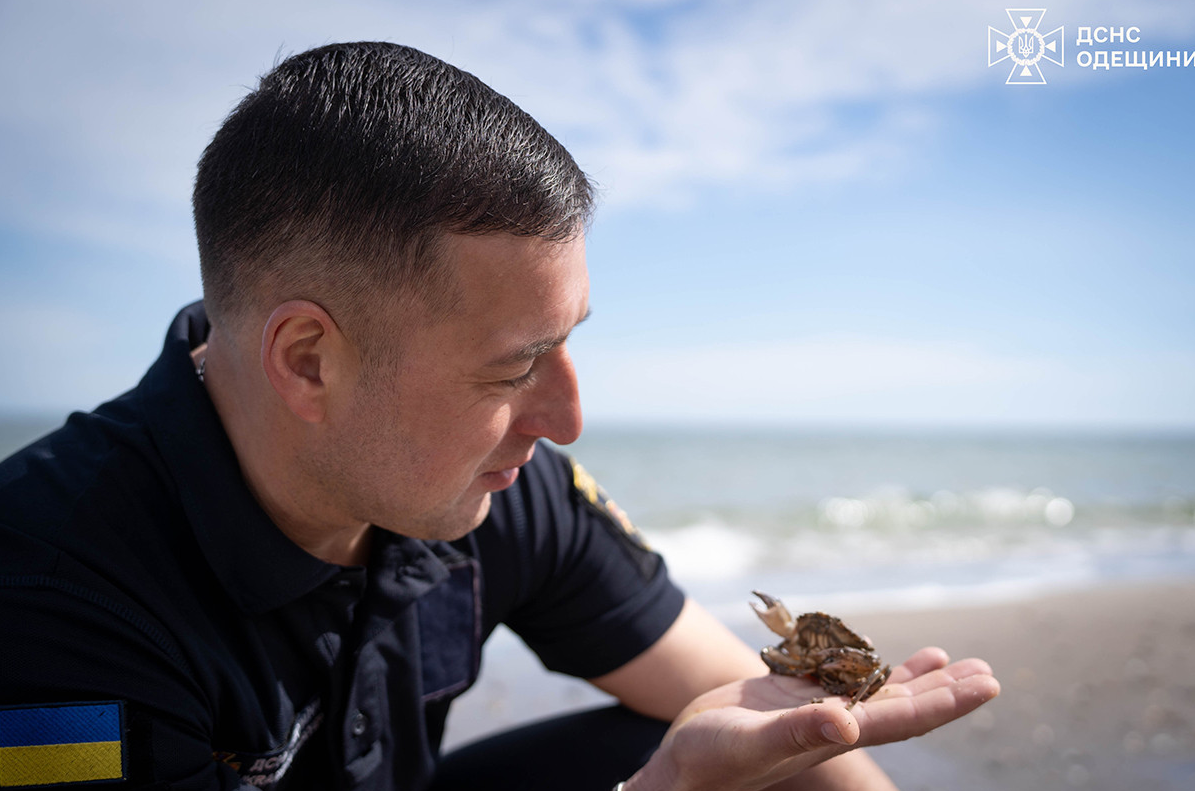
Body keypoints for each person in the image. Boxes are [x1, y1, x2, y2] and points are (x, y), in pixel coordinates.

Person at [0, 42, 998, 790]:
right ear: (308, 360)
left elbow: (758, 704)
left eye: (569, 341)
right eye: (516, 363)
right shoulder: (50, 593)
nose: (565, 417)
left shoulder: (491, 484)